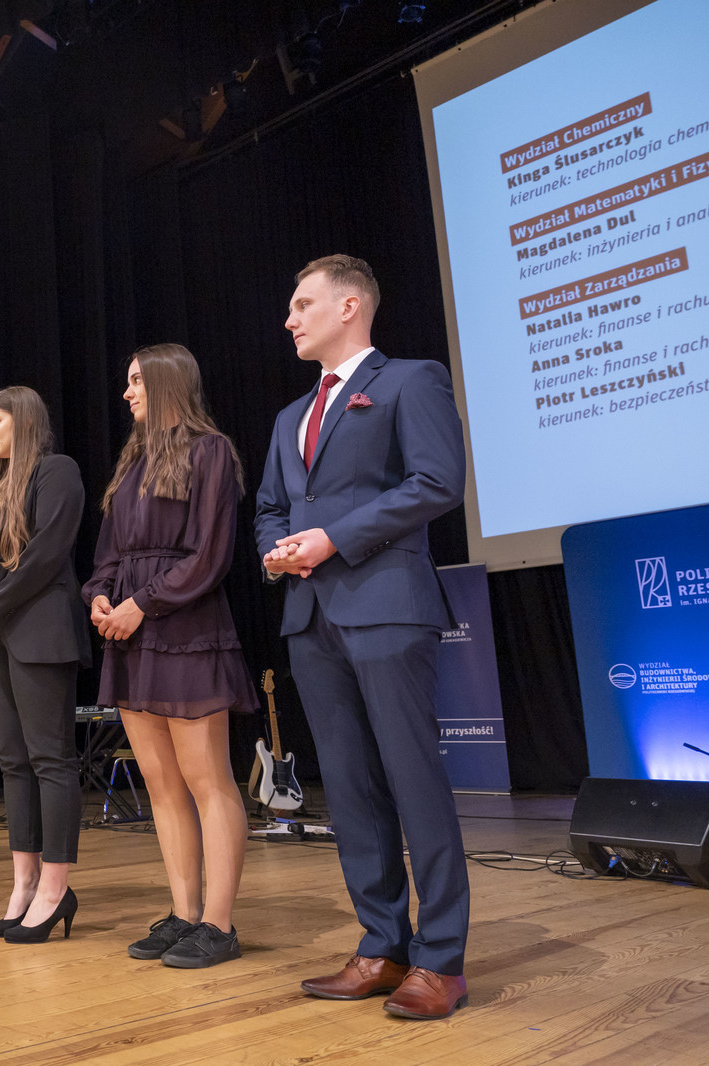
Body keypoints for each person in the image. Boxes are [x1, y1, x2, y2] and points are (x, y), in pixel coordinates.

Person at [256, 254, 470, 1020]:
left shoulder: (411, 381)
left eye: (303, 303)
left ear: (350, 306)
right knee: (348, 789)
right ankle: (381, 946)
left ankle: (440, 961)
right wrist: (277, 550)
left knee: (413, 780)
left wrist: (332, 539)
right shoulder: (290, 416)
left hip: (387, 607)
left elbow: (438, 481)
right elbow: (270, 507)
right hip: (311, 617)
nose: (290, 318)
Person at [83, 345, 255, 968]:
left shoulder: (211, 452)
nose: (127, 392)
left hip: (185, 628)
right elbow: (108, 554)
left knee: (208, 780)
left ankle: (219, 924)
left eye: (136, 381)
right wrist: (101, 595)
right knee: (160, 783)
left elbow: (210, 557)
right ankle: (184, 913)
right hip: (131, 634)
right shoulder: (131, 465)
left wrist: (142, 603)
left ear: (166, 383)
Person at [0, 387, 90, 943]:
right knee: (12, 761)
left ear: (24, 420)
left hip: (40, 631)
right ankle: (24, 883)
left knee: (50, 759)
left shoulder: (57, 471)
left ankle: (56, 888)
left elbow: (45, 554)